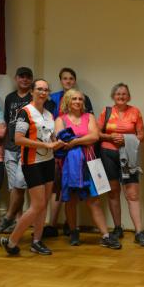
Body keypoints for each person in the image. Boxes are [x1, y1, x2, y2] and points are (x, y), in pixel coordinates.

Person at [0, 79, 63, 257]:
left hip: (48, 161)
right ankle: (11, 242)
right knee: (38, 205)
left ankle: (37, 241)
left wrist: (57, 142)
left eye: (46, 90)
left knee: (43, 205)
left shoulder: (49, 114)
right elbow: (18, 139)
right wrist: (45, 145)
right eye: (39, 89)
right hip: (32, 163)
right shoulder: (25, 112)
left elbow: (49, 137)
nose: (43, 92)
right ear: (32, 91)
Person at [55, 88, 117, 249]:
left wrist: (75, 141)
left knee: (94, 200)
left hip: (89, 163)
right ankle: (73, 232)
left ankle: (105, 235)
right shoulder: (60, 120)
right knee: (71, 200)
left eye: (80, 99)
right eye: (74, 99)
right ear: (67, 101)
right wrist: (83, 139)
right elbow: (61, 141)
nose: (78, 102)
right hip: (69, 166)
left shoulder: (89, 117)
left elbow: (94, 137)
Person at [0, 67, 54, 235]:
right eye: (21, 76)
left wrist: (53, 143)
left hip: (33, 154)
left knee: (23, 187)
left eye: (45, 90)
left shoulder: (45, 109)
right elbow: (10, 125)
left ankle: (14, 221)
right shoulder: (12, 99)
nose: (42, 92)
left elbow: (47, 131)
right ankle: (14, 223)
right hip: (13, 148)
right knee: (15, 187)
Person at [46, 67, 94, 237]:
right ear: (61, 81)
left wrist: (78, 141)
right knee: (58, 187)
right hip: (58, 147)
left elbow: (90, 127)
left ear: (75, 80)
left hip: (80, 151)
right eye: (65, 78)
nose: (68, 81)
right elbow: (49, 120)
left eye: (71, 78)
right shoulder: (53, 98)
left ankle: (70, 224)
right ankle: (52, 224)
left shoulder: (84, 98)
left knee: (76, 187)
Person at [98, 83, 144, 246]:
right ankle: (118, 228)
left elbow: (141, 136)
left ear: (129, 96)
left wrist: (126, 139)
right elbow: (97, 133)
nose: (121, 96)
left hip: (129, 156)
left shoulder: (135, 112)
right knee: (113, 193)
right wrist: (111, 137)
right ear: (113, 96)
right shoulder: (106, 112)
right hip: (108, 154)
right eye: (118, 94)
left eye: (124, 94)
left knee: (133, 194)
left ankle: (139, 232)